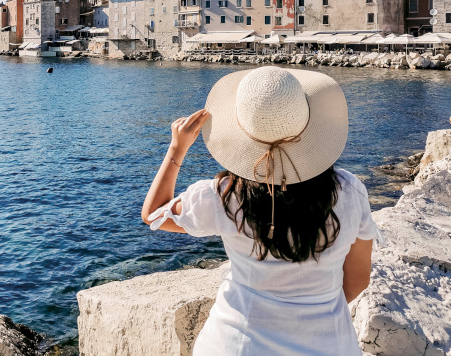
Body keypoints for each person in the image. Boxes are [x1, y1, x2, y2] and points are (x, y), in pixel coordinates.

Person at [141, 66, 379, 355]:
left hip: (236, 345)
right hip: (328, 345)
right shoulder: (350, 191)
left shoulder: (223, 196)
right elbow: (358, 280)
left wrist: (176, 150)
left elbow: (154, 214)